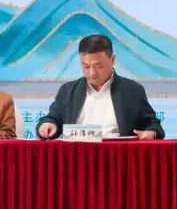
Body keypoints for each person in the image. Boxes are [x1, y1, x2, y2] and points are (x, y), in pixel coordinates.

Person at [36, 34, 164, 139]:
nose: (92, 73)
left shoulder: (132, 90)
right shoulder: (68, 91)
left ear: (113, 60)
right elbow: (52, 119)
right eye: (86, 67)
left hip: (118, 155)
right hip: (76, 154)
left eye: (98, 66)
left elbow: (153, 125)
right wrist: (48, 125)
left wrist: (152, 133)